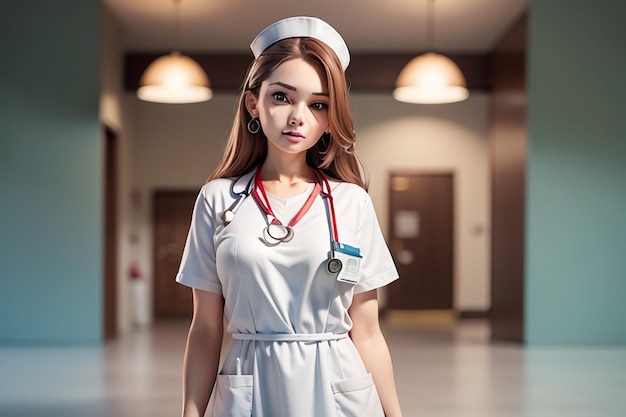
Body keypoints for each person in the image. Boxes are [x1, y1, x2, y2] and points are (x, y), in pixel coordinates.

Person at [176, 16, 403, 417]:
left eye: (318, 104)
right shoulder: (218, 200)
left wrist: (395, 414)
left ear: (331, 119)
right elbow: (207, 330)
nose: (298, 116)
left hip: (338, 388)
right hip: (251, 385)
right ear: (253, 102)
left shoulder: (351, 203)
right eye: (282, 97)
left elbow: (367, 332)